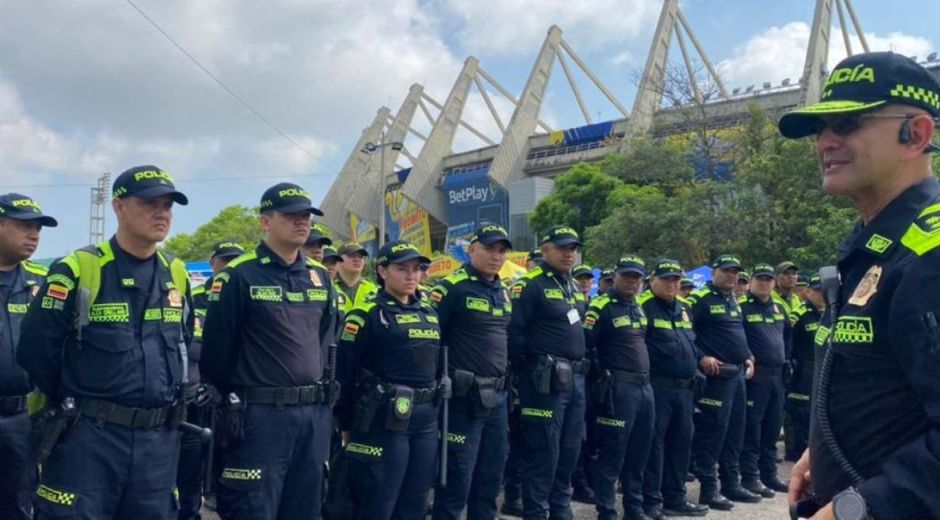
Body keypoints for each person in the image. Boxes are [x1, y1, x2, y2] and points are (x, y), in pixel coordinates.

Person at [780, 51, 940, 519]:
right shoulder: (875, 244)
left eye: (847, 123)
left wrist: (857, 507)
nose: (825, 141)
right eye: (820, 128)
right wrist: (825, 449)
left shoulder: (929, 256)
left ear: (917, 134)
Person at [18, 165, 192, 519]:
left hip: (157, 443)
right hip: (89, 438)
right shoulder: (79, 269)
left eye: (168, 205)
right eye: (149, 203)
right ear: (118, 207)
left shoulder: (176, 273)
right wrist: (77, 399)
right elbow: (36, 351)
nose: (161, 213)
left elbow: (186, 345)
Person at [200, 183, 339, 519]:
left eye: (306, 215)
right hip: (259, 415)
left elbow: (324, 339)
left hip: (312, 416)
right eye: (291, 215)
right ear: (265, 222)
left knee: (306, 508)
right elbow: (216, 355)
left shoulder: (320, 276)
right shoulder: (239, 275)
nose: (302, 222)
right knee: (253, 508)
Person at [334, 240, 443, 519]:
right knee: (379, 500)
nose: (411, 276)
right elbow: (344, 375)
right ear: (382, 271)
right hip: (383, 419)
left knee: (416, 501)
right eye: (402, 268)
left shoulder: (429, 313)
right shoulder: (366, 315)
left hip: (426, 419)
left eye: (416, 269)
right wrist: (345, 425)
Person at [430, 225, 512, 519]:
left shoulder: (503, 291)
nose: (496, 256)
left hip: (498, 398)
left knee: (490, 479)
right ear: (471, 249)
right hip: (463, 399)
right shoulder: (451, 288)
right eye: (489, 248)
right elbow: (431, 340)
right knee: (456, 480)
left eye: (502, 251)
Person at [508, 225, 587, 519]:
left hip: (575, 379)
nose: (569, 254)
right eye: (563, 247)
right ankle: (536, 513)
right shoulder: (529, 285)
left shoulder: (573, 285)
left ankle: (560, 509)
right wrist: (527, 374)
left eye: (573, 249)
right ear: (545, 250)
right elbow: (515, 336)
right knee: (543, 452)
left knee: (569, 449)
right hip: (544, 381)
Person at [583, 255, 655, 520]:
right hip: (618, 390)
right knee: (613, 453)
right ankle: (607, 510)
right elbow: (586, 346)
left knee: (639, 452)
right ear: (615, 276)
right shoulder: (601, 306)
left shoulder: (638, 306)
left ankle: (634, 509)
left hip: (644, 389)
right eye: (627, 276)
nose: (632, 282)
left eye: (637, 278)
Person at [177, 240, 244, 520]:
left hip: (231, 394)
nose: (228, 265)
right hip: (196, 392)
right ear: (212, 262)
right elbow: (188, 344)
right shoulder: (197, 297)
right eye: (224, 259)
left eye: (234, 260)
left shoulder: (243, 295)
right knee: (192, 464)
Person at [687, 254, 759, 510]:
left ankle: (731, 483)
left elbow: (736, 333)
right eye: (727, 271)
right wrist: (701, 357)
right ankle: (708, 489)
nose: (732, 276)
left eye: (736, 272)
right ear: (714, 272)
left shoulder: (733, 299)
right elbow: (685, 333)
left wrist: (748, 354)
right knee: (713, 432)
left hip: (738, 374)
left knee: (735, 431)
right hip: (717, 377)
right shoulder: (699, 299)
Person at [0, 193, 56, 519]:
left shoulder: (43, 281)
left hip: (24, 417)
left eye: (37, 228)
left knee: (20, 506)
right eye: (24, 226)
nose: (33, 235)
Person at [639, 260, 709, 519]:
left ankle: (675, 497)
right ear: (653, 280)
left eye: (676, 280)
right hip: (658, 387)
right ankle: (652, 501)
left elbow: (690, 343)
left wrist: (700, 358)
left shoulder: (685, 307)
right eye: (666, 279)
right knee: (654, 447)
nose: (672, 284)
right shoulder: (643, 307)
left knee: (681, 445)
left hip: (685, 390)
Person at [738, 264, 790, 498]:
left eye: (768, 279)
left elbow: (788, 336)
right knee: (752, 429)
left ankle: (769, 474)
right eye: (760, 279)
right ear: (751, 281)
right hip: (755, 377)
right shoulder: (742, 307)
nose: (764, 283)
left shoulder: (780, 307)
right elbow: (736, 337)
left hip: (777, 376)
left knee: (771, 428)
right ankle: (750, 477)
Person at [784, 274, 822, 462]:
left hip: (822, 368)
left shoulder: (831, 314)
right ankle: (797, 452)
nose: (821, 294)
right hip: (802, 370)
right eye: (816, 290)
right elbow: (789, 345)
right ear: (808, 292)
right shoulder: (798, 315)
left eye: (824, 290)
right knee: (801, 413)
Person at [570, 262, 598, 505]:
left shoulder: (590, 304)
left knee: (587, 434)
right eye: (581, 278)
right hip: (572, 376)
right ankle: (578, 483)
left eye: (588, 278)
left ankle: (585, 481)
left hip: (589, 377)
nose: (585, 281)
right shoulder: (573, 303)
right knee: (575, 435)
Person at [335, 243, 379, 313]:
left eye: (361, 257)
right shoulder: (329, 288)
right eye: (352, 255)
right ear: (338, 260)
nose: (357, 259)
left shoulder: (373, 290)